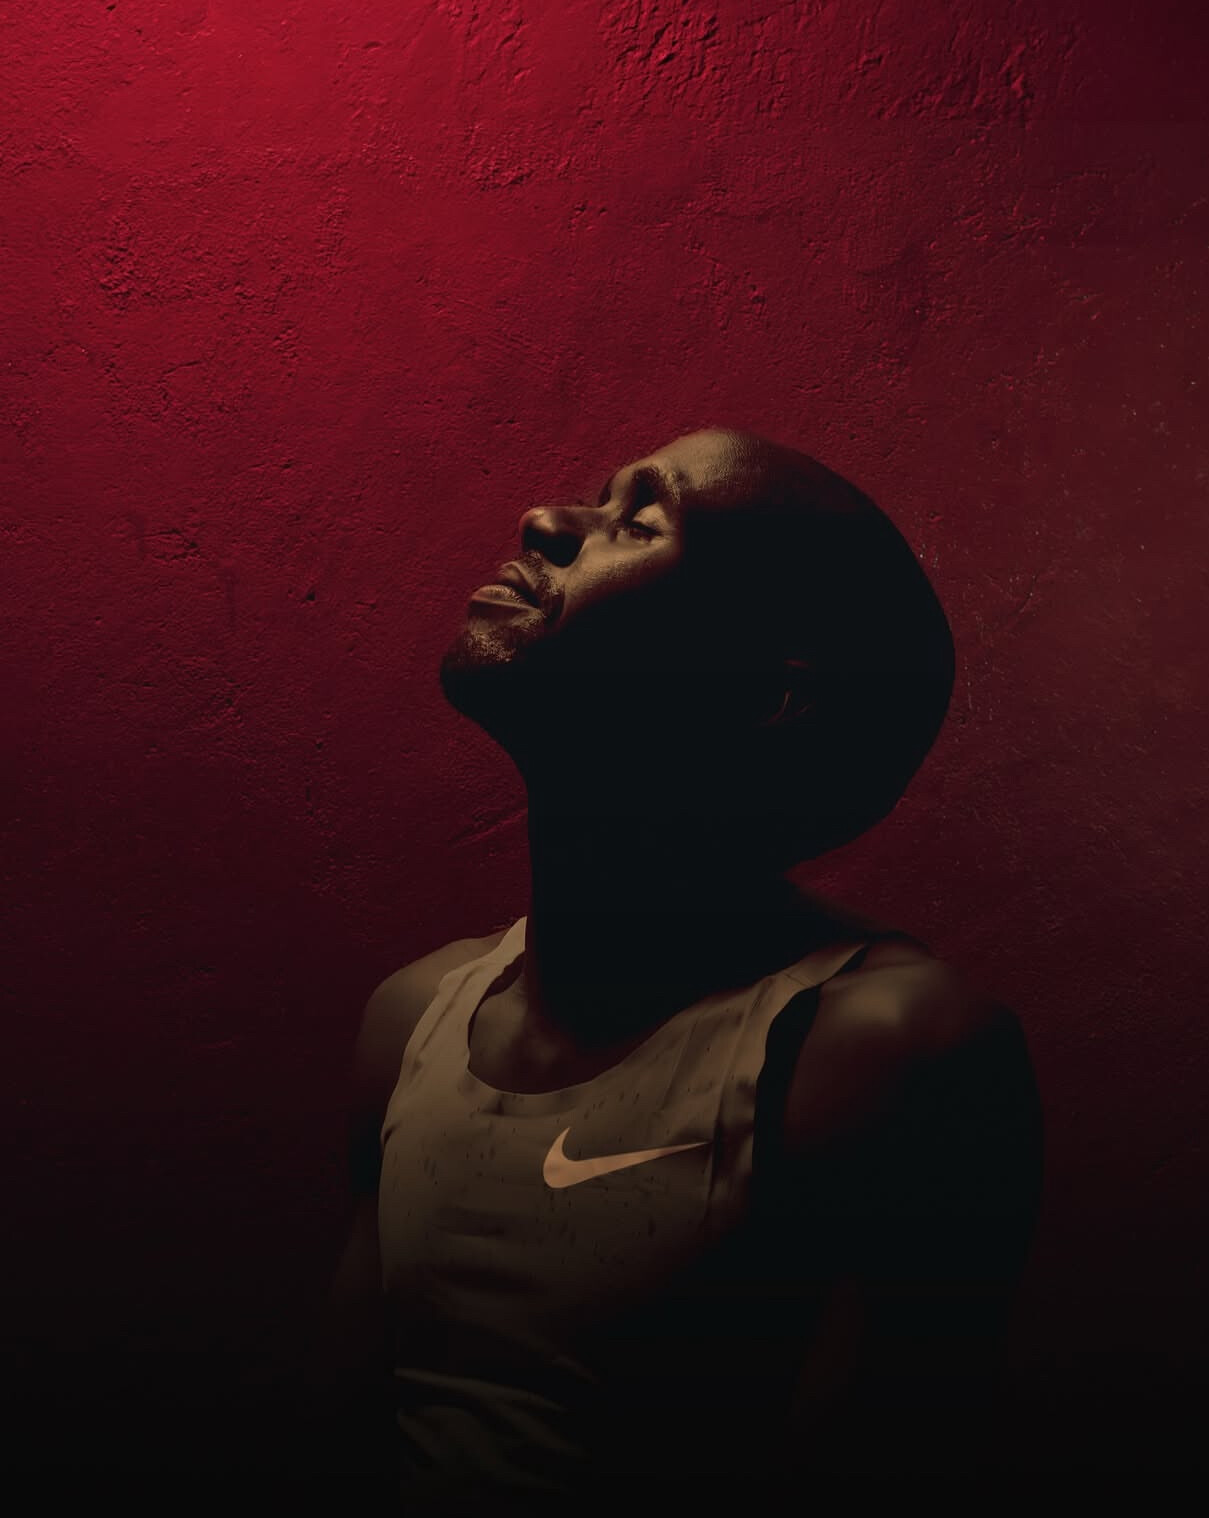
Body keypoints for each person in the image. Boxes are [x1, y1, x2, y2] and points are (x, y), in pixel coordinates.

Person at [313, 428, 1043, 1514]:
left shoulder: (888, 1054)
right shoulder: (414, 1018)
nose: (546, 524)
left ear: (768, 695)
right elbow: (341, 1447)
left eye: (640, 521)